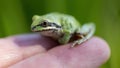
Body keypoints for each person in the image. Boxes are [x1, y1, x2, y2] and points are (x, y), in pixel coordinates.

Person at [0, 34, 110, 68]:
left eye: (44, 25)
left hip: (75, 30)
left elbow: (66, 34)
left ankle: (85, 37)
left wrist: (63, 40)